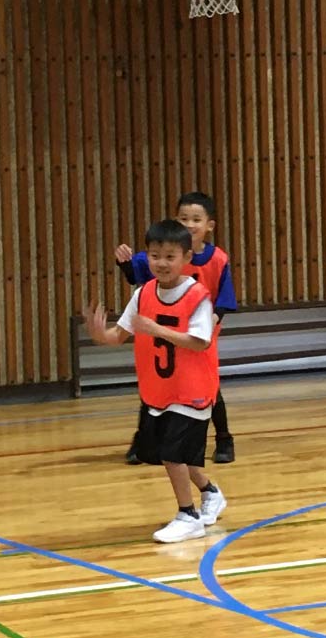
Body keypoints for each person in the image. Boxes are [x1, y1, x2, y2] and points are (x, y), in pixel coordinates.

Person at [86, 220, 227, 544]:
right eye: (154, 256)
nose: (161, 263)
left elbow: (200, 341)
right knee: (175, 453)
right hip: (159, 389)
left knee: (172, 455)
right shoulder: (143, 294)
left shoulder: (197, 297)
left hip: (192, 388)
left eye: (169, 256)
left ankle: (187, 515)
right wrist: (99, 336)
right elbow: (119, 335)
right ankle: (210, 492)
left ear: (186, 258)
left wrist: (158, 330)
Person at [116, 191, 239, 464]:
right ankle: (143, 441)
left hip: (197, 335)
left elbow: (224, 301)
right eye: (184, 218)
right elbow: (138, 277)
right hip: (162, 333)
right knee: (156, 388)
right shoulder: (165, 255)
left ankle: (224, 439)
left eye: (196, 219)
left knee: (208, 390)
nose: (189, 224)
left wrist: (206, 325)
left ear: (209, 225)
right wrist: (124, 264)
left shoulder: (217, 259)